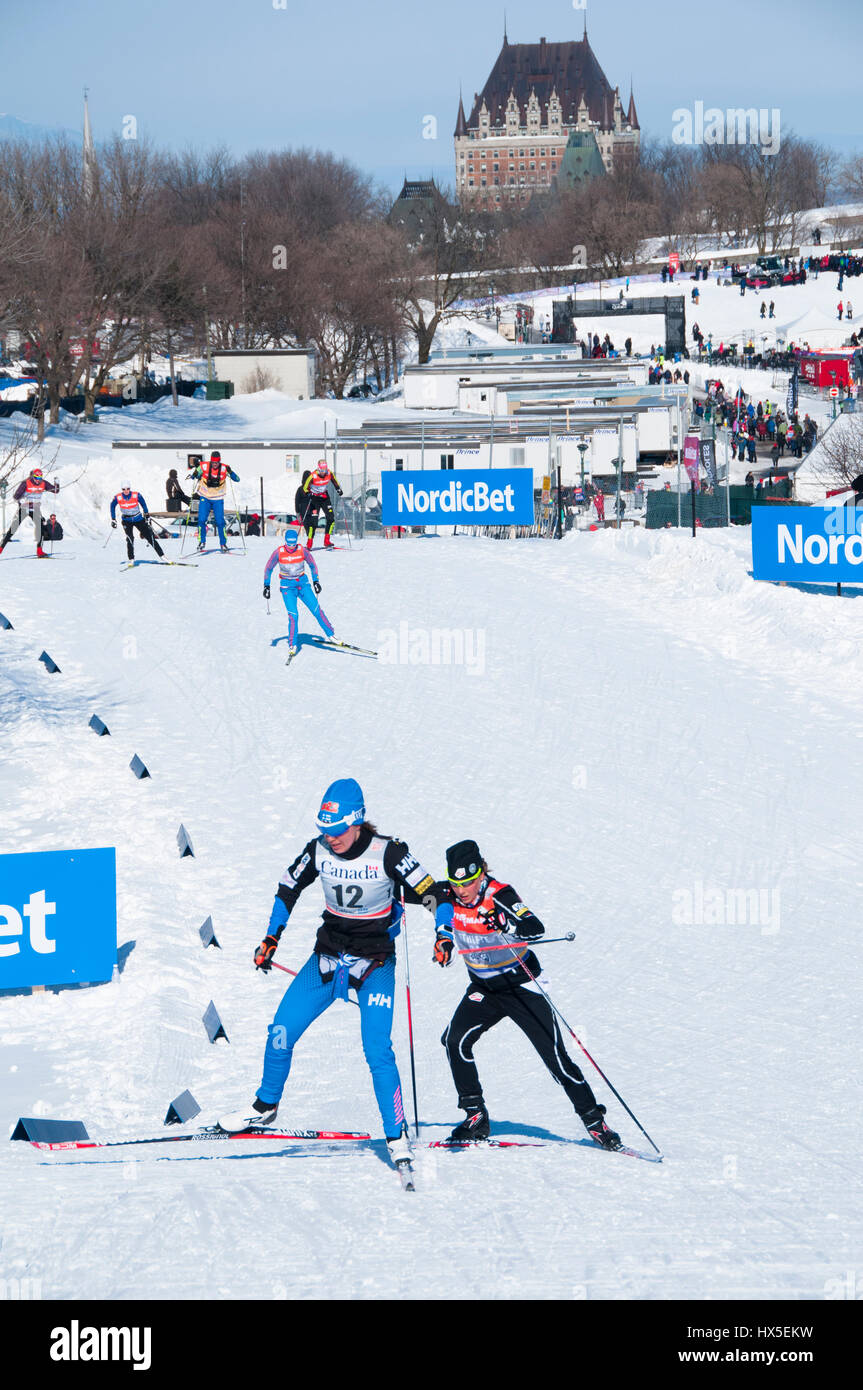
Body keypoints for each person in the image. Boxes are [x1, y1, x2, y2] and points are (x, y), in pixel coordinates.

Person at [223, 780, 438, 1171]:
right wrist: (272, 936)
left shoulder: (388, 853)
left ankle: (396, 1135)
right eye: (325, 830)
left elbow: (433, 894)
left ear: (356, 821)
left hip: (374, 965)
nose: (331, 838)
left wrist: (442, 933)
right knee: (280, 1031)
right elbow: (288, 887)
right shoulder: (318, 849)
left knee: (377, 1050)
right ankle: (265, 1107)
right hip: (327, 958)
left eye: (337, 831)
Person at [431, 840, 622, 1150]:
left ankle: (595, 1121)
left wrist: (508, 925)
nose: (462, 890)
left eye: (468, 882)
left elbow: (534, 926)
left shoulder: (500, 894)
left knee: (556, 1058)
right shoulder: (447, 893)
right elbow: (434, 900)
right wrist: (443, 938)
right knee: (455, 1040)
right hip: (485, 988)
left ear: (481, 873)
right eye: (456, 882)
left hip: (520, 984)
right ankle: (475, 1117)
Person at [263, 524, 334, 659]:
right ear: (285, 542)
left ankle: (331, 635)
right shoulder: (279, 552)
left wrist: (316, 581)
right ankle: (292, 644)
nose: (291, 547)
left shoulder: (302, 550)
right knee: (293, 616)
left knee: (316, 610)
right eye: (289, 544)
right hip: (287, 587)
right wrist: (266, 586)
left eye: (293, 544)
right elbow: (268, 568)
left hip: (303, 584)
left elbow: (312, 565)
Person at [0, 467, 60, 558]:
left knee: (41, 528)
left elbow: (55, 490)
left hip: (35, 509)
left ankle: (39, 551)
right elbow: (16, 496)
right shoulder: (25, 483)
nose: (38, 480)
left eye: (40, 478)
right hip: (24, 508)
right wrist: (24, 497)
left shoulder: (43, 483)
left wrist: (57, 484)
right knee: (12, 530)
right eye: (36, 478)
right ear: (33, 477)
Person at [191, 451, 240, 552]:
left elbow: (237, 479)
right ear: (211, 460)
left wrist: (231, 472)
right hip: (205, 497)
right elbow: (195, 475)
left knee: (220, 522)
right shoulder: (204, 466)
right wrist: (194, 474)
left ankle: (223, 543)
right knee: (201, 520)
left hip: (218, 498)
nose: (215, 465)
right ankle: (202, 541)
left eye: (216, 463)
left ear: (219, 461)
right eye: (213, 462)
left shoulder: (224, 468)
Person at [110, 485, 165, 562]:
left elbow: (143, 504)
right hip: (126, 520)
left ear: (130, 488)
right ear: (122, 489)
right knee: (130, 539)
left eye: (128, 489)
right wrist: (113, 519)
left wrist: (146, 514)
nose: (126, 491)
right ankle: (131, 559)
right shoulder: (118, 497)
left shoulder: (136, 495)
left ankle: (162, 556)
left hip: (138, 519)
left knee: (150, 536)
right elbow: (112, 506)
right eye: (124, 489)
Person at [302, 460, 344, 548]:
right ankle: (309, 543)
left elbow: (334, 481)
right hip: (314, 499)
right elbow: (305, 487)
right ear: (318, 469)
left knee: (331, 518)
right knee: (314, 522)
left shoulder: (329, 473)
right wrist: (308, 493)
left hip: (325, 498)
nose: (323, 472)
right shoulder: (313, 476)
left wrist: (338, 489)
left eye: (325, 470)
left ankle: (327, 541)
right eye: (321, 470)